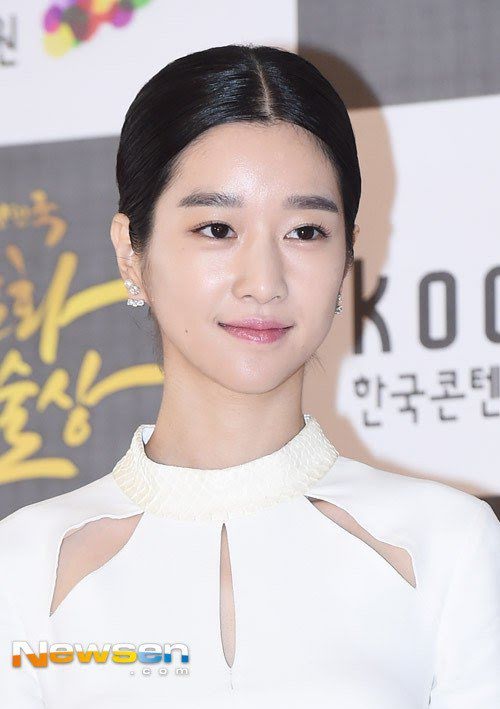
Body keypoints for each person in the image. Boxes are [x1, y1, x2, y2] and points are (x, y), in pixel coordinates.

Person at [1, 43, 499, 709]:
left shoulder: (448, 546)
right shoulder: (26, 565)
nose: (263, 282)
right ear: (131, 252)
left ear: (348, 253)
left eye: (305, 232)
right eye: (216, 228)